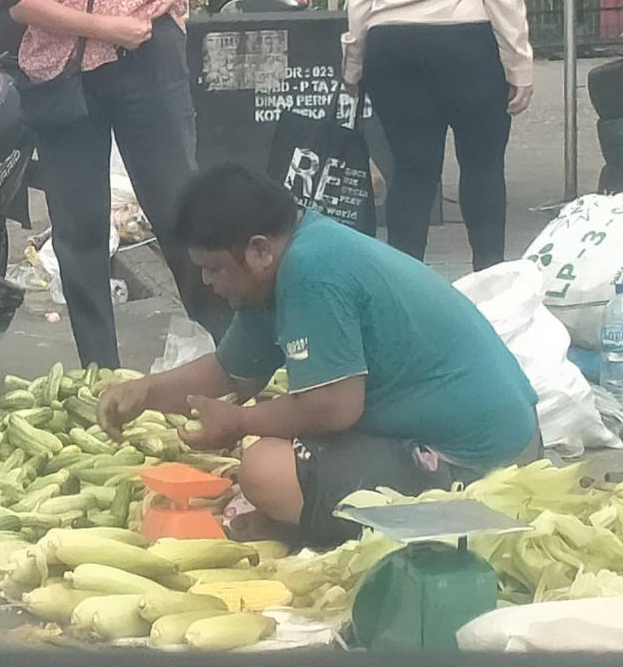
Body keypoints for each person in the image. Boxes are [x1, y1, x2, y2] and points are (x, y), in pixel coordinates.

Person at [97, 164, 541, 547]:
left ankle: (314, 526)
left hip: (483, 461)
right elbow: (231, 373)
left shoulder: (312, 270)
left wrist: (240, 423)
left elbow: (334, 407)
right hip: (481, 436)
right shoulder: (278, 265)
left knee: (264, 469)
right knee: (276, 462)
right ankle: (307, 520)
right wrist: (145, 392)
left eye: (215, 268)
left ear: (258, 249)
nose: (209, 282)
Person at [0, 0, 232, 369]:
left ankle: (234, 357)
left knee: (179, 210)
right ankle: (99, 373)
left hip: (151, 58)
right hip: (64, 73)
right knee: (79, 228)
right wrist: (104, 28)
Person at [342, 0, 533, 272]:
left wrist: (353, 62)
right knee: (483, 167)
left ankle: (402, 289)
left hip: (393, 43)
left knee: (411, 172)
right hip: (469, 42)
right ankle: (489, 282)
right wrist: (518, 62)